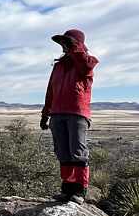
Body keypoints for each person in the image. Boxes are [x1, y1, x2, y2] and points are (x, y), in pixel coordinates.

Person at [39, 29, 98, 204]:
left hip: (77, 113)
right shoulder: (58, 66)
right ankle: (68, 188)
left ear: (76, 44)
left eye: (66, 42)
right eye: (63, 43)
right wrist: (45, 113)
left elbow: (86, 65)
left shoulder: (86, 63)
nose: (63, 46)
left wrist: (76, 49)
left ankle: (80, 191)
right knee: (63, 152)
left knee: (78, 151)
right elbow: (51, 91)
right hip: (57, 114)